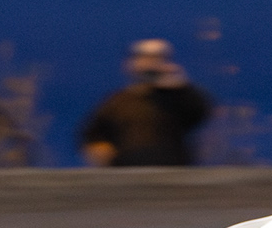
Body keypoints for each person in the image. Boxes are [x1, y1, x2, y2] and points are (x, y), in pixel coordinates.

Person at [79, 39, 214, 166]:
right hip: (127, 176)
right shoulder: (117, 101)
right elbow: (93, 134)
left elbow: (200, 113)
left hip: (172, 173)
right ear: (130, 64)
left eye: (157, 59)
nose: (150, 64)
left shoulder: (177, 96)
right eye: (144, 58)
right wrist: (99, 149)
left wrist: (181, 86)